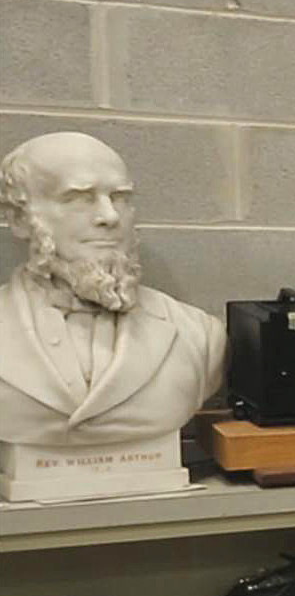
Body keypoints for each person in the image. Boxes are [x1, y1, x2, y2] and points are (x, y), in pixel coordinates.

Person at [0, 131, 226, 448]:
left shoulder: (199, 336)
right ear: (20, 219)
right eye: (78, 198)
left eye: (120, 198)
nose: (109, 216)